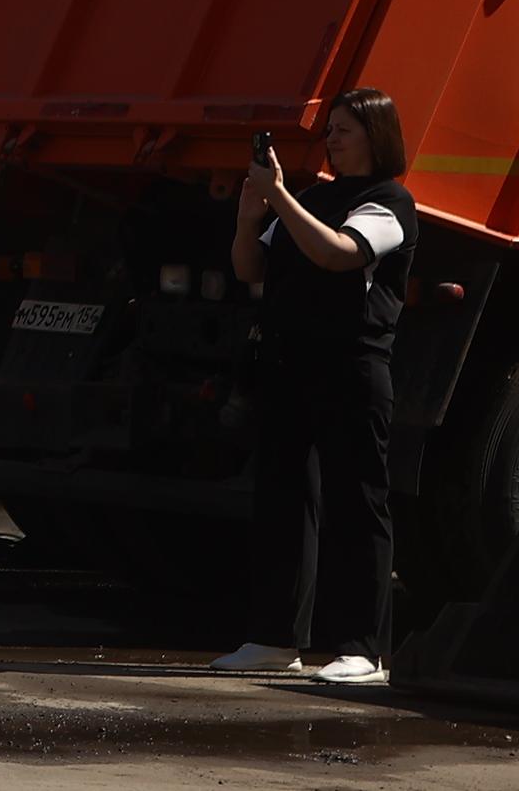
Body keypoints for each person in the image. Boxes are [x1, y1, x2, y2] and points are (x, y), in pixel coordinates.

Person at [211, 88, 418, 685]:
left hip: (352, 367)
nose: (332, 138)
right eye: (330, 128)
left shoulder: (390, 201)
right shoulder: (315, 196)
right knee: (283, 497)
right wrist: (252, 217)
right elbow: (251, 269)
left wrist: (278, 197)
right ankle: (275, 638)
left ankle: (363, 648)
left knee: (358, 501)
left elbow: (337, 254)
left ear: (377, 135)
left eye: (345, 129)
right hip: (288, 363)